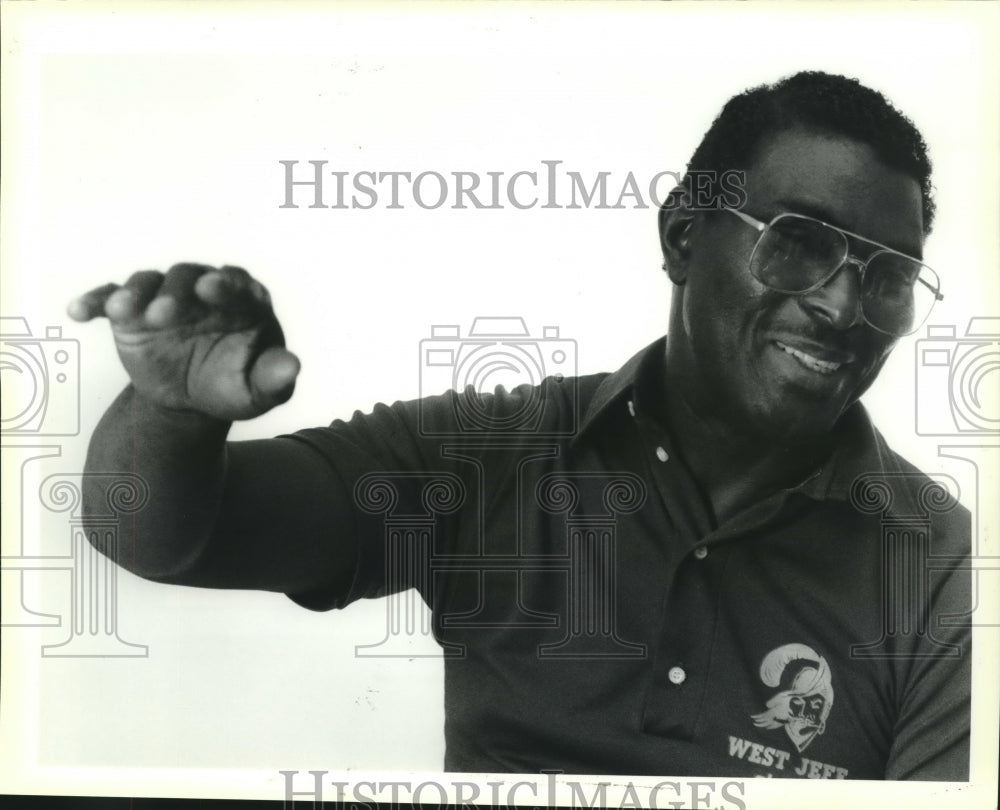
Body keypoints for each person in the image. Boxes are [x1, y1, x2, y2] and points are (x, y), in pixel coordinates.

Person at [68, 71, 970, 780]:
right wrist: (170, 412)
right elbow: (165, 537)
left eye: (887, 275)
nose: (844, 303)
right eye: (800, 242)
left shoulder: (942, 571)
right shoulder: (494, 457)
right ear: (684, 238)